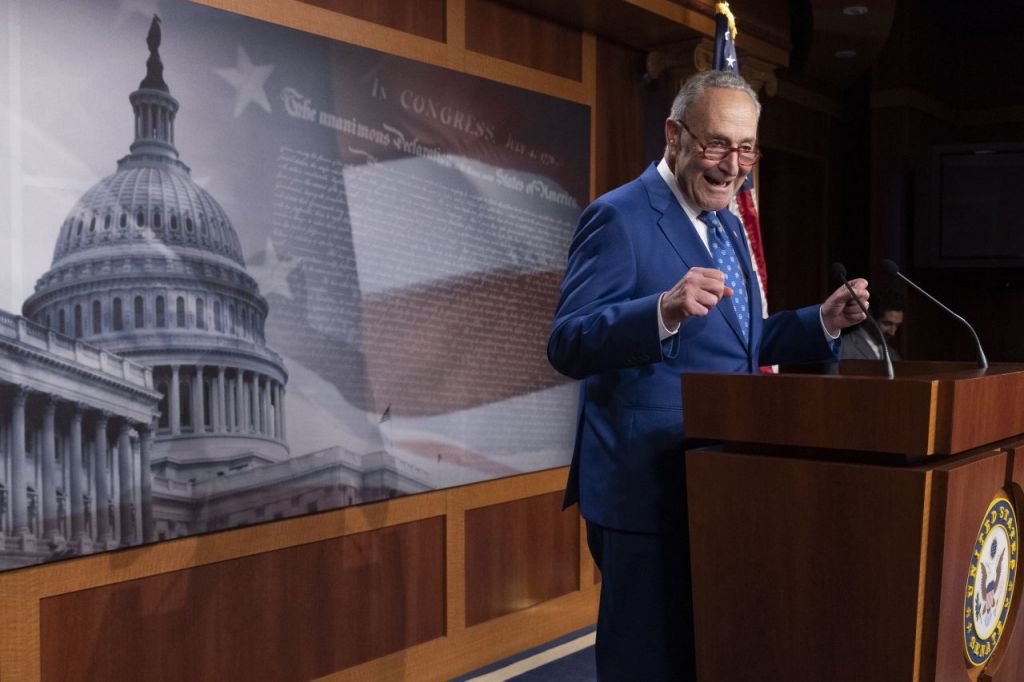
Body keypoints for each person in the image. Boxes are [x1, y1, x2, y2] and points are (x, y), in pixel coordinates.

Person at [546, 70, 870, 681]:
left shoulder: (727, 223)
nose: (733, 166)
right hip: (645, 491)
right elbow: (567, 342)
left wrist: (819, 322)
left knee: (705, 657)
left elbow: (737, 345)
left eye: (746, 149)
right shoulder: (618, 217)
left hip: (721, 483)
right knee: (645, 664)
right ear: (674, 134)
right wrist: (660, 312)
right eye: (718, 144)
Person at [840, 289, 904, 361]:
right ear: (869, 317)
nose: (892, 333)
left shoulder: (892, 354)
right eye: (887, 324)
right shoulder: (843, 347)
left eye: (897, 326)